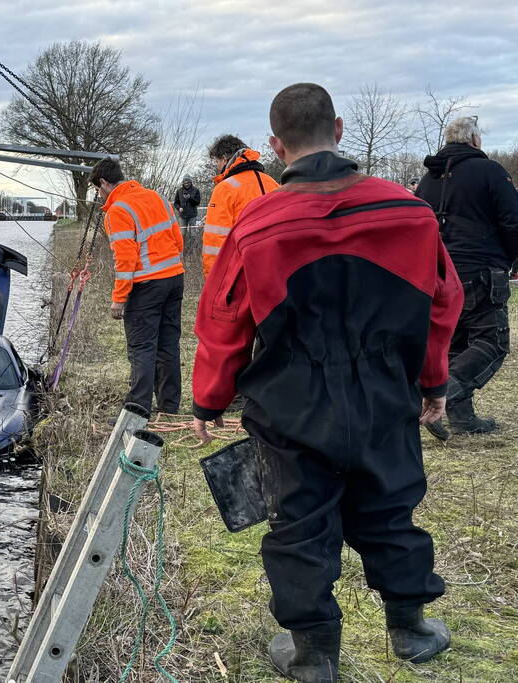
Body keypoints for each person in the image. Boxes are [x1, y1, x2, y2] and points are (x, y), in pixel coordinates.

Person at [191, 83, 462, 682]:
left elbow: (222, 317)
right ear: (338, 130)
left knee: (299, 521)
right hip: (385, 390)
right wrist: (432, 382)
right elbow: (444, 303)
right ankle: (410, 629)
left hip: (291, 400)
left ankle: (314, 656)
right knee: (391, 505)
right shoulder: (409, 211)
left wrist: (207, 401)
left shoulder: (257, 223)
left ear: (275, 145)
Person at [416, 115, 518, 436]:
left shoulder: (427, 181)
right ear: (474, 140)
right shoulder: (490, 172)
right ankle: (446, 395)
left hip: (440, 272)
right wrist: (511, 260)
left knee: (457, 341)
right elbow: (513, 222)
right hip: (482, 269)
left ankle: (462, 419)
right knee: (492, 341)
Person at [90, 158, 184, 414]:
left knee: (142, 347)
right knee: (168, 344)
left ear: (104, 183)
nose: (100, 195)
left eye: (98, 190)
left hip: (146, 285)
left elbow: (125, 259)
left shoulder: (118, 210)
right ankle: (169, 408)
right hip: (175, 278)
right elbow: (178, 238)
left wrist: (119, 297)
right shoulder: (156, 197)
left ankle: (137, 410)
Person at [201, 134, 280, 279]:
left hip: (241, 275)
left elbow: (215, 242)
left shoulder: (224, 189)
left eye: (217, 161)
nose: (217, 167)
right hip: (277, 269)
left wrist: (213, 281)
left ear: (224, 159)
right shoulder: (273, 183)